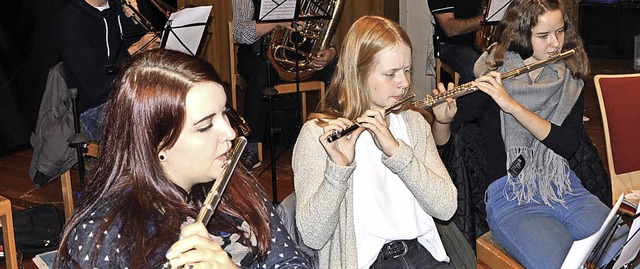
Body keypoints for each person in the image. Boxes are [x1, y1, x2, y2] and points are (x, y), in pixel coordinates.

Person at [54, 49, 313, 268]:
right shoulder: (106, 235)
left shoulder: (233, 181)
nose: (230, 132)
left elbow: (290, 262)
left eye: (224, 113)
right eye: (204, 126)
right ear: (156, 145)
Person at [431, 0, 630, 267]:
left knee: (626, 250)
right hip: (512, 196)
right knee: (561, 263)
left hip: (563, 186)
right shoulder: (494, 77)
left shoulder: (568, 80)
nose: (556, 44)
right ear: (521, 34)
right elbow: (444, 142)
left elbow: (568, 144)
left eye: (560, 32)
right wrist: (442, 120)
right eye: (543, 36)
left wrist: (512, 106)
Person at [292, 16, 458, 269]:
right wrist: (338, 171)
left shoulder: (413, 124)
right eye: (390, 74)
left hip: (424, 255)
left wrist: (397, 152)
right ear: (358, 72)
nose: (403, 83)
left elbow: (446, 208)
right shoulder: (318, 135)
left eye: (406, 70)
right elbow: (313, 237)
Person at [232, 0, 338, 170]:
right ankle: (251, 148)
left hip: (298, 58)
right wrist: (276, 21)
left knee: (340, 67)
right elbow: (240, 32)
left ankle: (338, 134)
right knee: (261, 72)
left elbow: (324, 29)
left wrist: (331, 52)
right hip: (258, 56)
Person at [56, 0, 160, 140]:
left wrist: (136, 20)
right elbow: (93, 85)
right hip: (94, 110)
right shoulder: (71, 19)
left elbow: (145, 62)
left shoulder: (121, 9)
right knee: (153, 118)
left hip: (131, 95)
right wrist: (133, 51)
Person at [428, 0, 484, 83]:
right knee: (478, 71)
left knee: (507, 63)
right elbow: (450, 29)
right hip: (451, 45)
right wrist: (484, 20)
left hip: (480, 42)